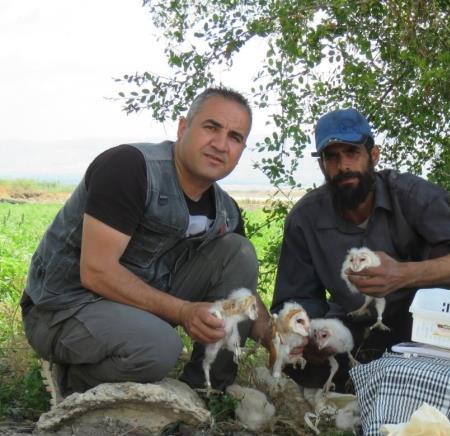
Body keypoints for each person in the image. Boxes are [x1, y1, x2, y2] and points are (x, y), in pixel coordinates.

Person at [20, 86, 276, 398]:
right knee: (158, 349)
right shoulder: (130, 168)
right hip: (65, 307)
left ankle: (208, 389)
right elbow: (96, 271)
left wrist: (275, 334)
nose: (221, 145)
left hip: (137, 309)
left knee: (238, 251)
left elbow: (242, 295)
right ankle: (73, 380)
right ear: (183, 128)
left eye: (235, 137)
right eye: (212, 127)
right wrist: (183, 311)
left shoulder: (225, 210)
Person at [271, 108, 450, 388]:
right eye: (332, 157)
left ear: (374, 155)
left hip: (421, 329)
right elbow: (297, 300)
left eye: (352, 152)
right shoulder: (304, 219)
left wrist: (403, 274)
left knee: (447, 258)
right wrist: (304, 335)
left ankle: (430, 375)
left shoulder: (413, 196)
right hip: (353, 328)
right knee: (298, 368)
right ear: (322, 165)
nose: (343, 166)